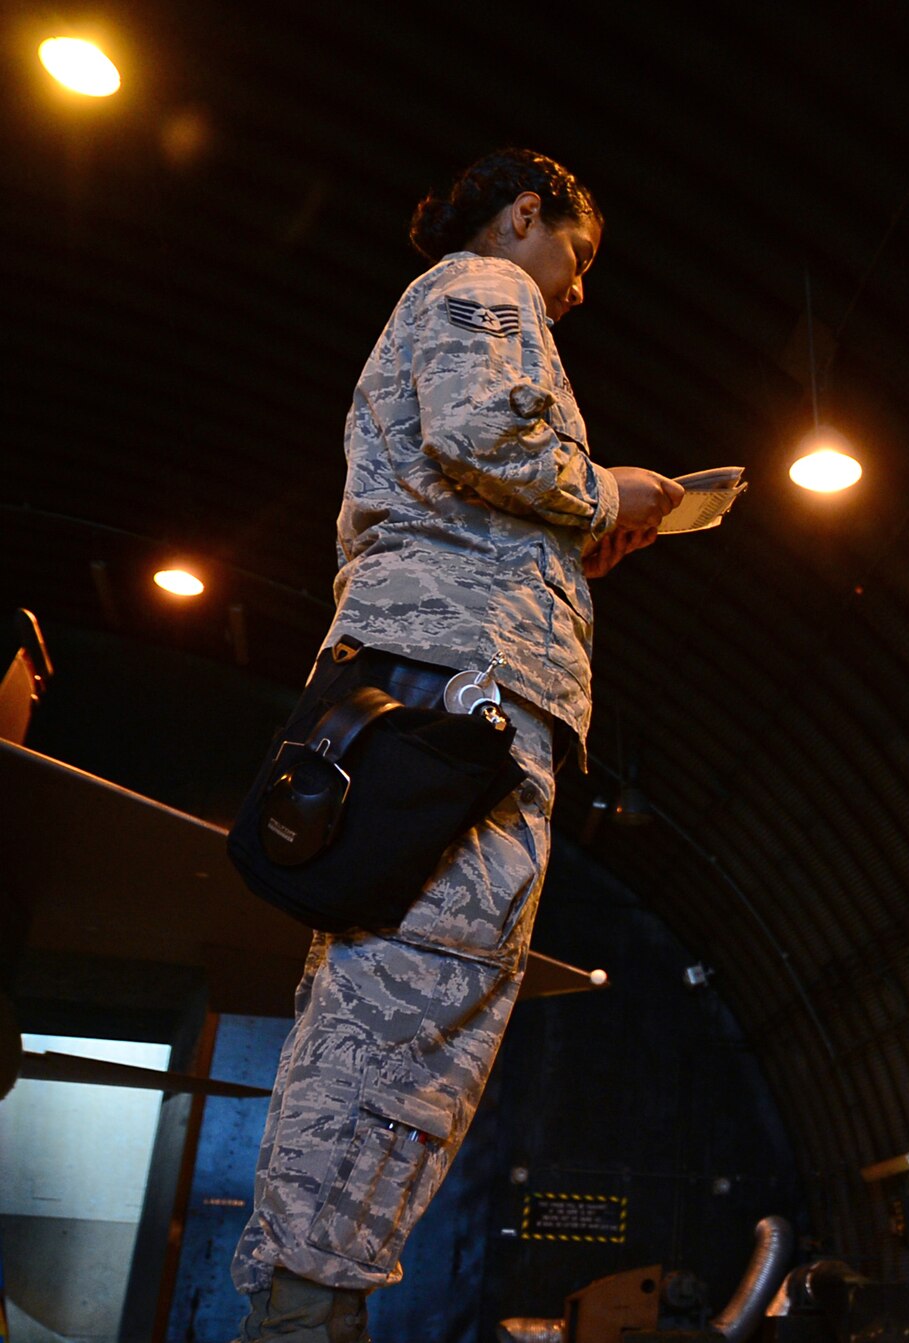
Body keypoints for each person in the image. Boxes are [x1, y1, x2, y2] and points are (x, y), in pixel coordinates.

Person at [230, 148, 681, 1342]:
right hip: (459, 696)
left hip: (444, 687)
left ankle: (308, 1298)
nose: (574, 288)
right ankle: (305, 1310)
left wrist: (570, 535)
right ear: (525, 213)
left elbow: (463, 467)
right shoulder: (486, 287)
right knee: (412, 1006)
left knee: (396, 1000)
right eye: (574, 255)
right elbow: (486, 426)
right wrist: (610, 492)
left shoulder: (461, 299)